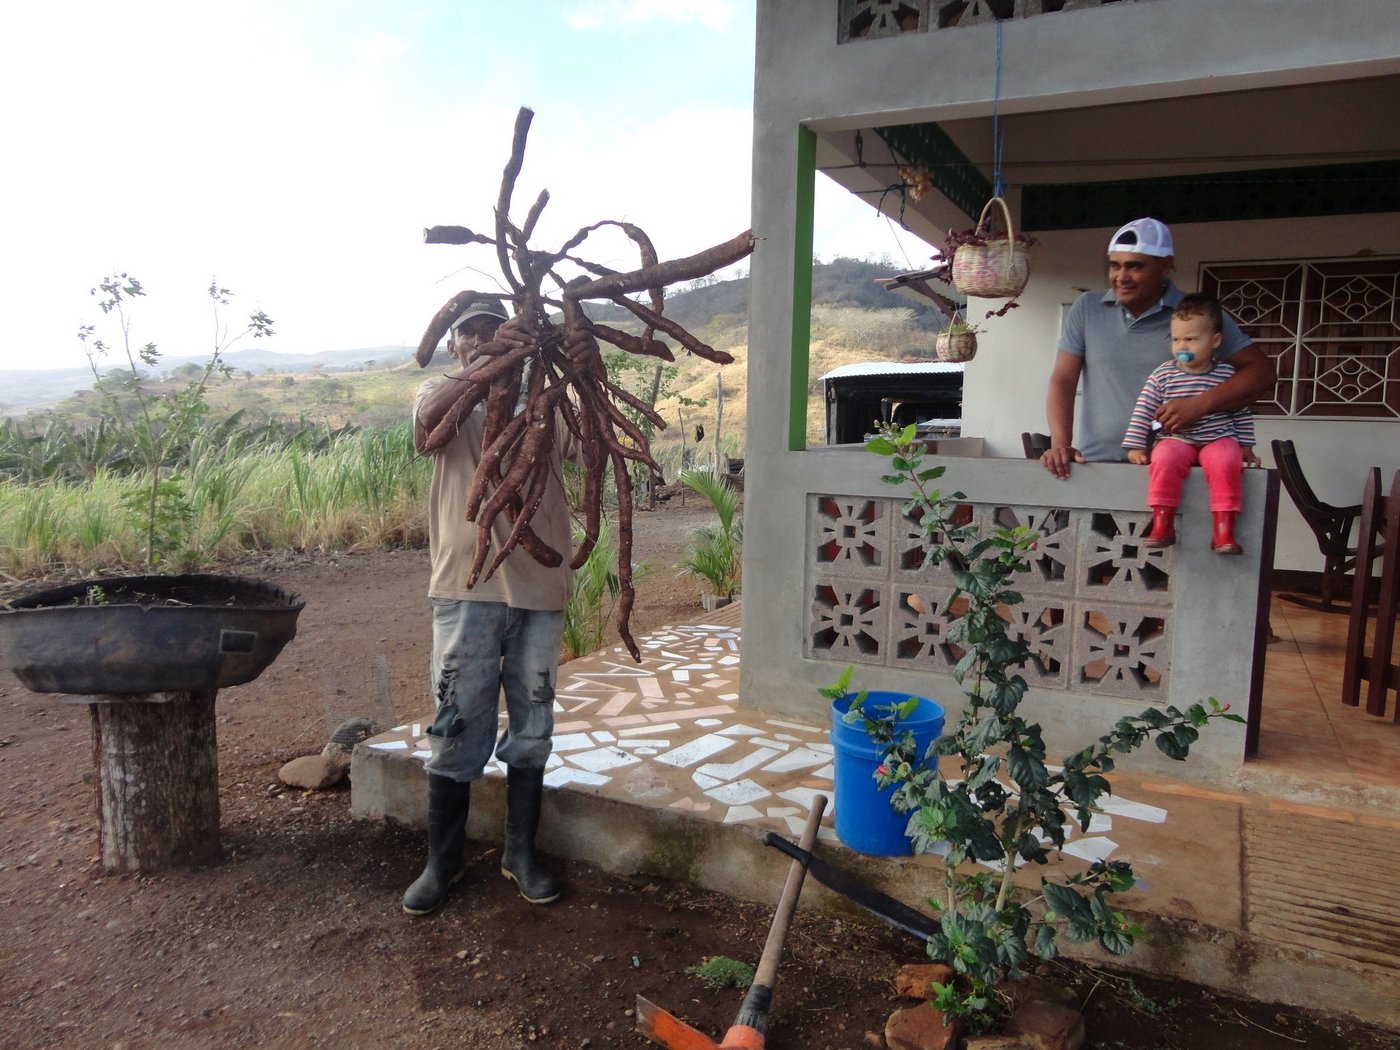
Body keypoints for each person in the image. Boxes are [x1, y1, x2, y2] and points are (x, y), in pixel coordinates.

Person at [403, 296, 574, 915]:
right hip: (465, 589)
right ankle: (441, 862)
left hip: (540, 588)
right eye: (467, 333)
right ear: (452, 345)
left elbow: (581, 450)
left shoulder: (547, 400)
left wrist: (573, 365)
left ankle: (518, 854)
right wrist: (484, 368)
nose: (479, 340)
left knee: (533, 725)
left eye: (492, 330)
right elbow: (428, 433)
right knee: (455, 723)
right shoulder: (438, 395)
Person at [1041, 217, 1275, 478]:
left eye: (1134, 267)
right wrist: (1060, 444)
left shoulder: (1197, 313)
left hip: (1180, 471)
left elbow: (1262, 372)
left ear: (1165, 266)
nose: (1121, 277)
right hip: (1097, 466)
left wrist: (1202, 404)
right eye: (1114, 266)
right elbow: (1062, 380)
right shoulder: (1087, 308)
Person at [1123, 294, 1261, 555]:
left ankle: (1224, 530)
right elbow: (1144, 408)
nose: (1182, 345)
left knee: (1227, 461)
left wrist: (1246, 446)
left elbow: (1241, 410)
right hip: (1176, 439)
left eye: (1191, 339)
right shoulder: (1163, 374)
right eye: (1176, 339)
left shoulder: (1226, 374)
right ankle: (1163, 523)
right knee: (1162, 459)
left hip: (1217, 437)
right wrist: (1135, 446)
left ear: (1215, 340)